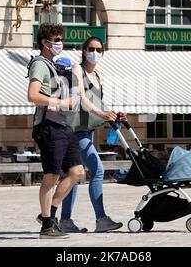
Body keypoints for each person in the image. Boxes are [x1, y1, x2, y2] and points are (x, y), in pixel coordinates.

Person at [59, 36, 125, 233]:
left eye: (98, 49)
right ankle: (101, 219)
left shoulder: (98, 77)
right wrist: (102, 113)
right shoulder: (77, 70)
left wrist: (114, 114)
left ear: (103, 52)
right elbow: (81, 97)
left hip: (88, 131)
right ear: (83, 50)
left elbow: (98, 104)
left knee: (74, 175)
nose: (95, 52)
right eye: (91, 48)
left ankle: (65, 221)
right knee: (97, 170)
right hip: (75, 132)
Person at [27, 23, 85, 239]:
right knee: (51, 176)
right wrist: (61, 102)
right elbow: (32, 95)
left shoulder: (56, 65)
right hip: (48, 126)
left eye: (61, 39)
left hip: (64, 126)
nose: (60, 43)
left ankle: (48, 215)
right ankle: (47, 226)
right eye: (57, 39)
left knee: (77, 171)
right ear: (45, 42)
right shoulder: (40, 65)